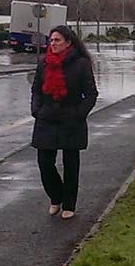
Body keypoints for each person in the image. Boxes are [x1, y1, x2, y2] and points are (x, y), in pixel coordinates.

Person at [30, 25, 98, 219]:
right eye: (51, 40)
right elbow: (36, 90)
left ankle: (69, 204)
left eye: (57, 40)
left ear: (68, 42)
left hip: (71, 119)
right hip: (46, 118)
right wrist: (36, 110)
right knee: (44, 163)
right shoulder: (44, 63)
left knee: (71, 164)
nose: (53, 44)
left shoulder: (81, 63)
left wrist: (79, 113)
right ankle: (55, 196)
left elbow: (91, 94)